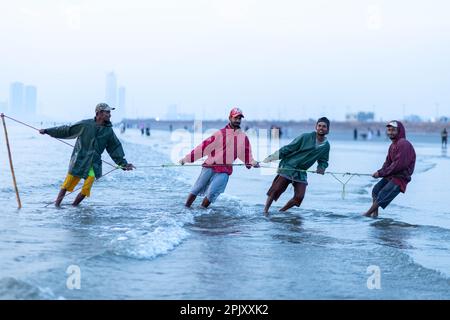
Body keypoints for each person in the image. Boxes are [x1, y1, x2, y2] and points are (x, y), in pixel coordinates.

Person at [39, 103, 135, 207]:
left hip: (94, 164)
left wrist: (123, 164)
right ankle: (56, 207)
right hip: (79, 161)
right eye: (107, 112)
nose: (109, 115)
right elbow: (67, 130)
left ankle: (74, 207)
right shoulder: (85, 124)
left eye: (109, 112)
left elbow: (114, 147)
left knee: (86, 189)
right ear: (99, 113)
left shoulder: (108, 131)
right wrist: (47, 131)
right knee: (67, 184)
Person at [179, 107, 259, 208]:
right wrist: (187, 159)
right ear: (230, 118)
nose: (238, 120)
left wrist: (252, 162)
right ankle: (186, 209)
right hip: (209, 166)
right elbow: (203, 147)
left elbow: (246, 154)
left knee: (212, 193)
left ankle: (201, 212)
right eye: (235, 118)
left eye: (239, 118)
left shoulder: (243, 138)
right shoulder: (220, 133)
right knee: (197, 188)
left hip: (225, 170)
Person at [262, 117, 331, 215]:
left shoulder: (326, 146)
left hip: (301, 172)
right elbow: (288, 148)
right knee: (275, 190)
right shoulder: (305, 137)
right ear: (316, 127)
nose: (321, 128)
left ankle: (281, 211)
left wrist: (321, 168)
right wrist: (272, 157)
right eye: (319, 125)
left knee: (299, 197)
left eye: (324, 126)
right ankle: (265, 211)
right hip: (288, 166)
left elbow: (323, 160)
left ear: (328, 130)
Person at [363, 121, 416, 218]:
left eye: (393, 130)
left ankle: (366, 215)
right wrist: (379, 172)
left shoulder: (403, 144)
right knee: (376, 190)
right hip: (392, 175)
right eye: (389, 130)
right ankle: (375, 217)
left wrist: (380, 173)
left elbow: (398, 165)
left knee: (383, 194)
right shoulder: (392, 146)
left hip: (400, 178)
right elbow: (387, 163)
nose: (390, 132)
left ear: (399, 131)